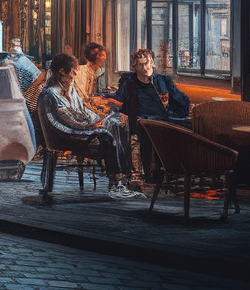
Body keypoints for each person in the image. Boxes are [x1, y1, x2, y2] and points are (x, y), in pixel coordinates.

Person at [40, 53, 142, 199]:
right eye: (73, 70)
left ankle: (123, 178)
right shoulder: (50, 93)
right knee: (107, 137)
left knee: (117, 123)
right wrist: (92, 125)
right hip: (63, 134)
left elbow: (81, 109)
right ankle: (116, 181)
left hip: (77, 127)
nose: (76, 73)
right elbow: (65, 119)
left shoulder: (69, 87)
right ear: (62, 71)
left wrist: (98, 119)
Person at [111, 48, 191, 177]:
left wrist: (175, 111)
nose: (145, 68)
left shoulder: (164, 81)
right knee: (146, 130)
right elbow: (120, 101)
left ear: (152, 62)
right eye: (141, 65)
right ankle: (150, 171)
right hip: (142, 121)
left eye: (147, 63)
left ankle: (181, 169)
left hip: (165, 118)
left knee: (189, 126)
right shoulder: (130, 83)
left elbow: (181, 100)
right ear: (135, 67)